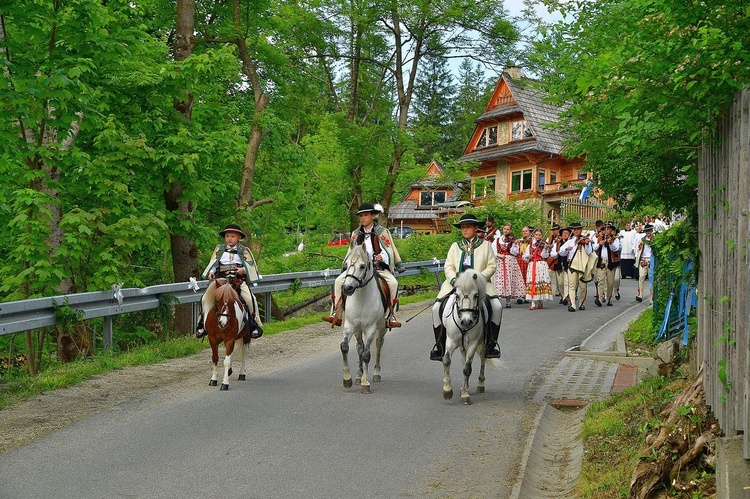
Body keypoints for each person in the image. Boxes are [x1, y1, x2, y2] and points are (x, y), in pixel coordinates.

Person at [430, 214, 503, 360]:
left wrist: (479, 279)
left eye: (468, 227)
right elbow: (448, 266)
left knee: (497, 306)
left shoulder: (486, 245)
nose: (464, 230)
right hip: (456, 284)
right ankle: (439, 344)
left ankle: (491, 343)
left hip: (480, 284)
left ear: (476, 228)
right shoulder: (455, 246)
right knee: (436, 308)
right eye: (463, 227)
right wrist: (453, 281)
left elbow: (491, 266)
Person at [323, 203, 403, 328]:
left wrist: (382, 256)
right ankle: (336, 314)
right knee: (339, 281)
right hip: (358, 269)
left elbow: (389, 250)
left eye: (366, 215)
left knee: (393, 283)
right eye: (361, 216)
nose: (363, 218)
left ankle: (391, 315)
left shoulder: (382, 232)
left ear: (372, 216)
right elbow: (350, 253)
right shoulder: (355, 234)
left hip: (377, 267)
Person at [196, 224, 263, 339]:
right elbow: (213, 264)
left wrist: (243, 270)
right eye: (227, 236)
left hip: (238, 282)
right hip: (221, 282)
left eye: (233, 236)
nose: (229, 239)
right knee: (204, 298)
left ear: (239, 238)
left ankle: (253, 325)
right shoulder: (219, 249)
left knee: (250, 299)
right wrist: (211, 273)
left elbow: (251, 267)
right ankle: (202, 324)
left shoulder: (244, 251)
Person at [558, 222, 593, 311]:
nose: (577, 231)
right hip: (572, 266)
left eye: (578, 229)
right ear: (573, 231)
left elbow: (589, 252)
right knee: (572, 285)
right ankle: (573, 304)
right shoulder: (570, 241)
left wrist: (587, 243)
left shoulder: (585, 240)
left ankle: (581, 303)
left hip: (582, 266)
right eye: (575, 229)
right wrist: (566, 249)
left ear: (581, 230)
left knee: (583, 286)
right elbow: (561, 252)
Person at [491, 223, 526, 308]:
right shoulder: (497, 240)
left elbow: (515, 252)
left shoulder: (513, 240)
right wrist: (499, 255)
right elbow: (492, 250)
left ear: (510, 230)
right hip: (500, 261)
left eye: (507, 229)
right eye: (504, 229)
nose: (506, 230)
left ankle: (508, 300)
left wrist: (514, 244)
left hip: (510, 262)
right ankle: (498, 299)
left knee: (509, 280)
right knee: (499, 280)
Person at [523, 228, 553, 309]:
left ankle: (540, 301)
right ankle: (533, 303)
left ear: (541, 236)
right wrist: (528, 256)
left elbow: (544, 256)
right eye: (536, 235)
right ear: (533, 235)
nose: (538, 236)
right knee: (532, 282)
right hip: (532, 264)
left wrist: (545, 249)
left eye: (539, 235)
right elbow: (524, 257)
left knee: (539, 282)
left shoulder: (543, 244)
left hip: (541, 265)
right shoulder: (530, 245)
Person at [592, 222, 621, 306]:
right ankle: (600, 298)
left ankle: (608, 298)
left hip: (611, 261)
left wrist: (610, 242)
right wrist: (599, 243)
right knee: (600, 280)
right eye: (604, 229)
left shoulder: (615, 239)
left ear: (611, 230)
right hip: (602, 261)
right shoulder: (599, 238)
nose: (606, 231)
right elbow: (594, 248)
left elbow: (615, 248)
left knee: (610, 282)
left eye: (608, 229)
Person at [635, 223, 655, 302]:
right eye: (646, 231)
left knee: (651, 279)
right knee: (641, 277)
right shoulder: (642, 240)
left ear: (652, 231)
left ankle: (651, 297)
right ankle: (640, 294)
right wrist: (639, 260)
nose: (648, 232)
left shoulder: (655, 239)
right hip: (643, 260)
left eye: (649, 231)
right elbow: (639, 250)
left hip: (651, 260)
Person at [516, 225, 532, 304]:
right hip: (520, 261)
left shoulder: (532, 241)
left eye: (526, 231)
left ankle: (527, 295)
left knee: (528, 278)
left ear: (529, 232)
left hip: (528, 261)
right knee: (520, 278)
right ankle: (520, 295)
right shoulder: (519, 241)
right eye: (523, 231)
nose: (525, 232)